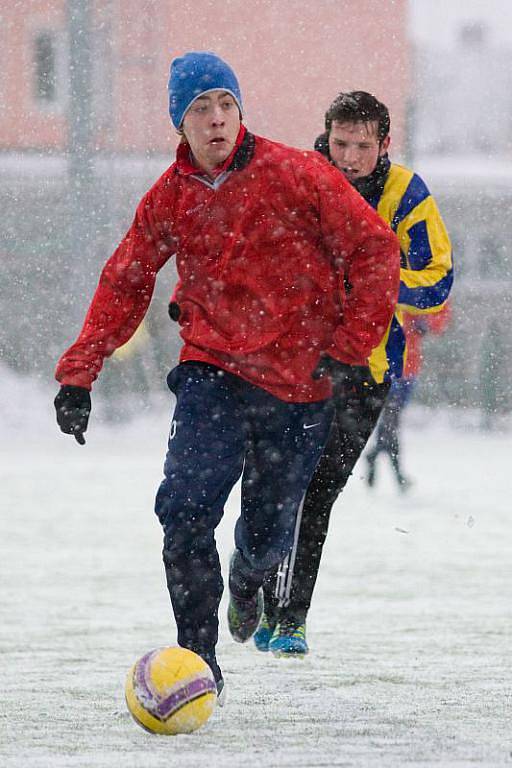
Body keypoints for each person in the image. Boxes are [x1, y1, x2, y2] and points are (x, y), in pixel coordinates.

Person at [53, 57, 400, 697]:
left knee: (266, 538)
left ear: (241, 111)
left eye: (225, 105)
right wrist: (79, 373)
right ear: (179, 123)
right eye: (200, 109)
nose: (215, 119)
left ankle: (249, 579)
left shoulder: (300, 173)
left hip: (299, 385)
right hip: (210, 371)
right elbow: (125, 280)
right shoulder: (170, 196)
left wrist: (352, 347)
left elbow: (376, 247)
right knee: (183, 509)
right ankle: (198, 658)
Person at [254, 91, 453, 658]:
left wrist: (372, 289)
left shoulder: (408, 195)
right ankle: (253, 583)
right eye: (340, 144)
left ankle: (290, 617)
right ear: (326, 136)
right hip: (291, 363)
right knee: (272, 487)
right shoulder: (299, 178)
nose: (348, 158)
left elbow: (437, 281)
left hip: (366, 371)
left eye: (362, 147)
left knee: (317, 494)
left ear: (384, 145)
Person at [366, 305, 451, 491]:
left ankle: (375, 454)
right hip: (390, 367)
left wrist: (425, 323)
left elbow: (440, 319)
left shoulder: (422, 290)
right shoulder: (398, 288)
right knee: (391, 419)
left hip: (410, 368)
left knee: (391, 421)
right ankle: (397, 472)